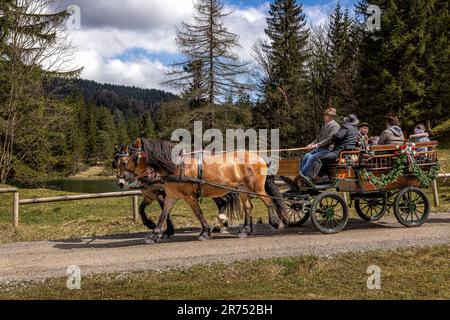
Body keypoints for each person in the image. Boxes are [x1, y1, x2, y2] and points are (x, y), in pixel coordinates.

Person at [305, 114, 360, 184]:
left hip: (339, 152)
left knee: (318, 158)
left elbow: (338, 137)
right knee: (325, 158)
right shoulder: (355, 129)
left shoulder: (345, 127)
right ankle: (324, 176)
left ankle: (310, 178)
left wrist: (332, 138)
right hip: (348, 153)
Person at [299, 107, 340, 181]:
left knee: (312, 157)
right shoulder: (324, 126)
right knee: (306, 155)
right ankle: (302, 174)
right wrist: (310, 144)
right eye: (325, 115)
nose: (325, 116)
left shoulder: (335, 126)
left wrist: (315, 145)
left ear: (332, 116)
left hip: (328, 150)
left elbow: (329, 140)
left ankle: (302, 175)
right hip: (320, 149)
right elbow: (318, 138)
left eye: (327, 115)